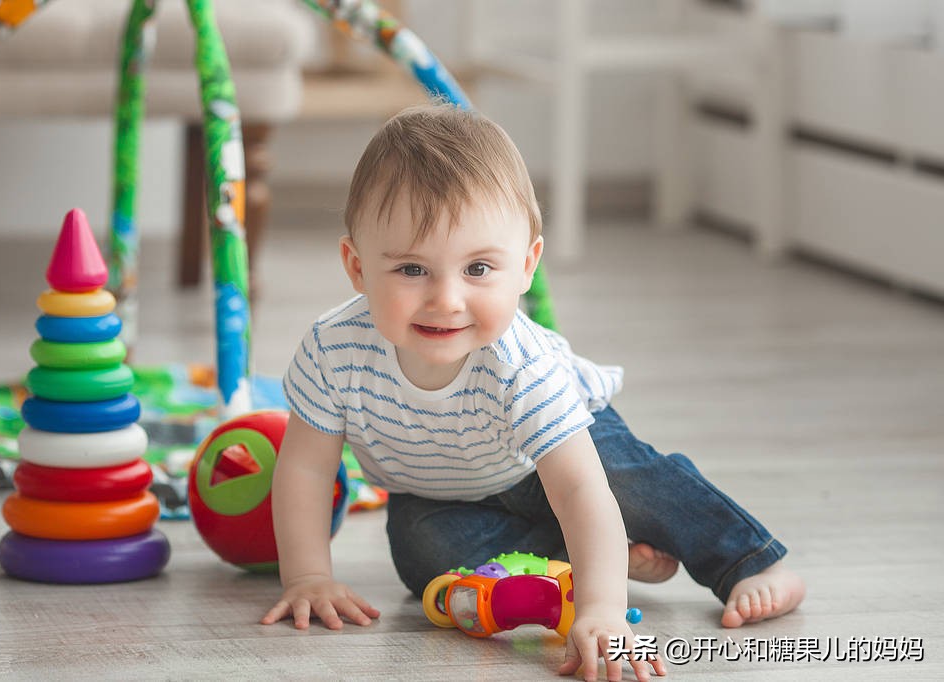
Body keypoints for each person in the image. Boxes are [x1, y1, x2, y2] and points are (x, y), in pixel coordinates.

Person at [260, 104, 805, 681]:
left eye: (477, 269)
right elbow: (306, 471)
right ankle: (593, 558)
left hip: (562, 452)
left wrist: (601, 613)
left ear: (525, 266)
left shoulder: (522, 365)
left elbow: (575, 486)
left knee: (633, 485)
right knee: (426, 561)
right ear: (357, 266)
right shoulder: (333, 348)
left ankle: (745, 559)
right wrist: (307, 577)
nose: (446, 299)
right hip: (438, 488)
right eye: (412, 270)